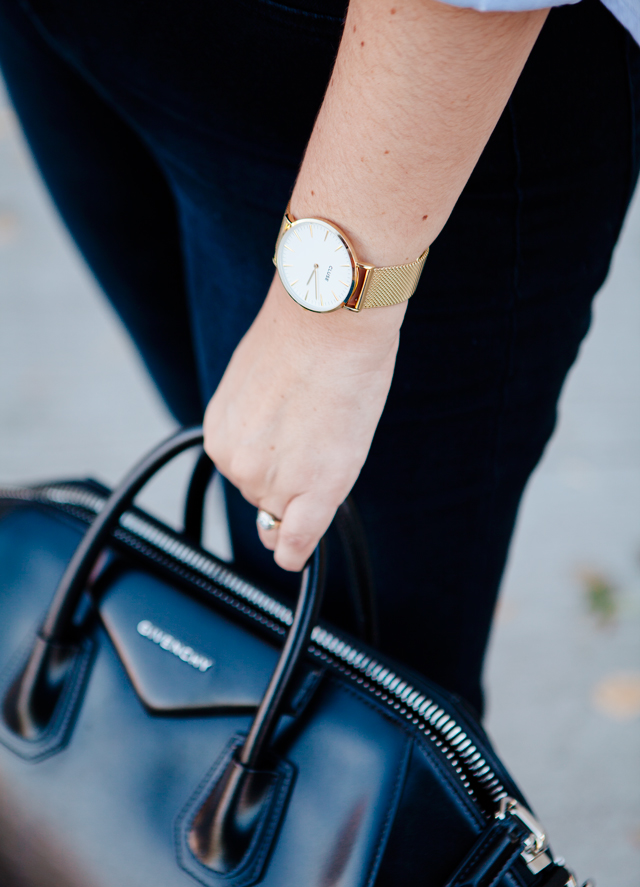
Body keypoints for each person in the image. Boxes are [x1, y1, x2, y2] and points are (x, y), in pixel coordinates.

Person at [0, 0, 638, 717]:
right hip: (58, 36)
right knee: (239, 453)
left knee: (358, 681)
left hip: (387, 88)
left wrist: (327, 320)